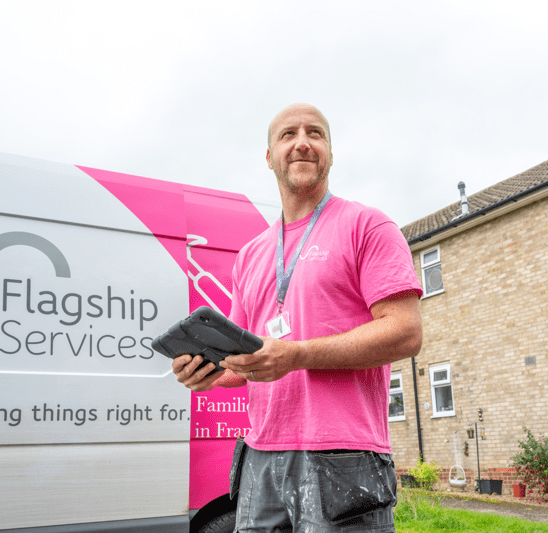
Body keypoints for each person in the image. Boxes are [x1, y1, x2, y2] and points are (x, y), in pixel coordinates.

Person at [173, 103, 423, 532]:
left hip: (344, 456)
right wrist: (209, 371)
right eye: (288, 134)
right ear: (269, 156)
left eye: (316, 133)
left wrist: (296, 354)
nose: (302, 142)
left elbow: (405, 333)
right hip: (260, 454)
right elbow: (247, 361)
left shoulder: (368, 226)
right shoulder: (251, 254)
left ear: (329, 152)